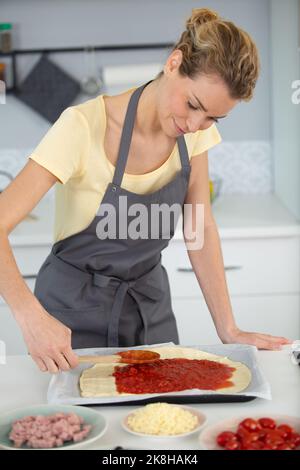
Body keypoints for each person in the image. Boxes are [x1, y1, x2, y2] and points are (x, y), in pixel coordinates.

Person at [0, 8, 291, 374]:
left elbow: (198, 229)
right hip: (71, 319)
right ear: (173, 63)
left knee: (164, 422)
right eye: (193, 105)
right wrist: (30, 317)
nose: (195, 124)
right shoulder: (82, 126)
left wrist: (228, 327)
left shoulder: (195, 133)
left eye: (213, 118)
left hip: (149, 311)